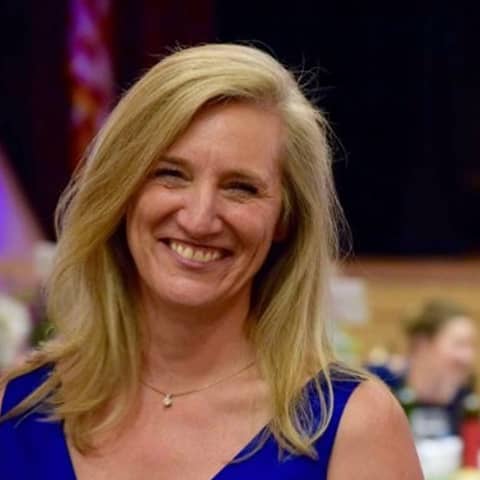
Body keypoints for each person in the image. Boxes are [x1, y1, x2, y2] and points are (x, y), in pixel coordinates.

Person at [0, 43, 422, 479]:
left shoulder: (356, 427)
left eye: (240, 187)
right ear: (122, 191)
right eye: (170, 174)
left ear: (285, 220)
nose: (199, 219)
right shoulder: (15, 408)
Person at [371, 299, 478, 439]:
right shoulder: (383, 386)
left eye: (471, 346)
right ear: (422, 344)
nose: (468, 357)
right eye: (459, 344)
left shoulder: (465, 399)